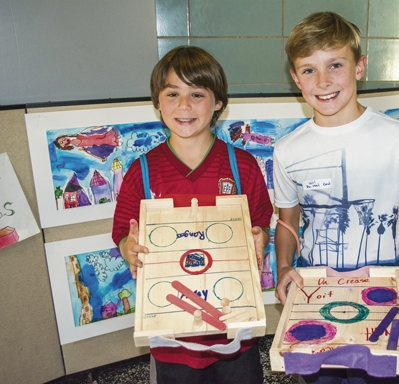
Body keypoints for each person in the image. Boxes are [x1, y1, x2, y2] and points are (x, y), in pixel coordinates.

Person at [273, 12, 399, 384]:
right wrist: (284, 267)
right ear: (295, 79)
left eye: (335, 65)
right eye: (309, 70)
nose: (324, 81)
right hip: (314, 294)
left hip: (383, 295)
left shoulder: (396, 137)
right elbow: (286, 223)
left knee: (381, 375)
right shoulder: (286, 149)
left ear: (360, 67)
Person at [112, 45, 272, 384]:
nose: (183, 106)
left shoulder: (242, 166)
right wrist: (131, 247)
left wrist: (260, 237)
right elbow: (123, 233)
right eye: (172, 93)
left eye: (196, 94)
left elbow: (260, 220)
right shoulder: (141, 171)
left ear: (218, 104)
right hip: (171, 335)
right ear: (157, 102)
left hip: (234, 332)